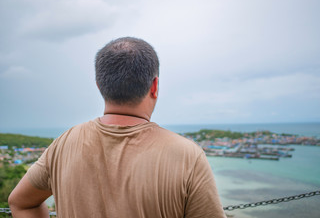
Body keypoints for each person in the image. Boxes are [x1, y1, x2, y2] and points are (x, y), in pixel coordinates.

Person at [8, 37, 226, 218]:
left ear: (100, 86)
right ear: (155, 86)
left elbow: (20, 202)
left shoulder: (64, 144)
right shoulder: (187, 156)